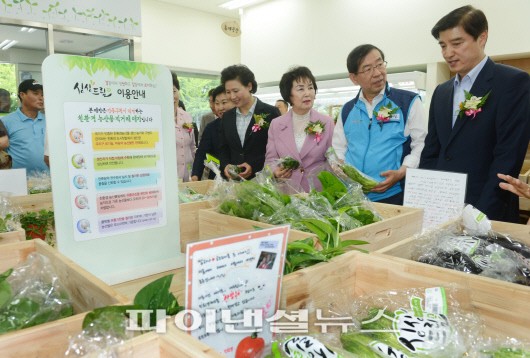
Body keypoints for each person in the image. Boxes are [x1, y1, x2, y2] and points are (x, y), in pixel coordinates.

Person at [419, 6, 530, 222]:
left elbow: (508, 156)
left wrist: (478, 214)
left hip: (488, 209)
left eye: (457, 43)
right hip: (442, 208)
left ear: (482, 38)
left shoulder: (512, 83)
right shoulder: (442, 92)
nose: (448, 53)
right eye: (443, 45)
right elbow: (432, 151)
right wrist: (424, 200)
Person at [332, 44, 427, 204]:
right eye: (368, 69)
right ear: (354, 78)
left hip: (394, 194)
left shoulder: (408, 102)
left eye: (380, 64)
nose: (377, 73)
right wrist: (339, 167)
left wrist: (402, 171)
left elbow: (421, 144)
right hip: (354, 197)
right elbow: (339, 147)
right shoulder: (348, 110)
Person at [265, 66, 334, 192]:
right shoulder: (276, 124)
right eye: (300, 89)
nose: (307, 93)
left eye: (310, 87)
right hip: (287, 192)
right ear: (289, 95)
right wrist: (275, 171)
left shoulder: (327, 123)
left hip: (317, 194)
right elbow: (270, 160)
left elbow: (332, 160)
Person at [218, 64, 280, 180]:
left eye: (236, 91)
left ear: (249, 86)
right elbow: (223, 148)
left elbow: (277, 149)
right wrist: (226, 165)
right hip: (234, 181)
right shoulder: (227, 117)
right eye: (228, 92)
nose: (232, 96)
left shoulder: (271, 113)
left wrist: (253, 164)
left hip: (263, 179)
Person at [0, 79, 48, 174]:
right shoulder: (5, 122)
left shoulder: (49, 121)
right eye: (35, 93)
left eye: (42, 94)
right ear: (22, 95)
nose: (41, 98)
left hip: (48, 180)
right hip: (17, 182)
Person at [191, 85, 234, 181]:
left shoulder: (241, 125)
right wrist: (195, 175)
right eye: (217, 103)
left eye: (224, 102)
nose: (220, 107)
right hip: (217, 178)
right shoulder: (211, 127)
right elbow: (201, 153)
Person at [172, 75, 196, 182]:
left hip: (187, 175)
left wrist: (196, 171)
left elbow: (192, 146)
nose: (172, 96)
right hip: (170, 176)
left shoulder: (186, 116)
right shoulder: (156, 118)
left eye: (174, 91)